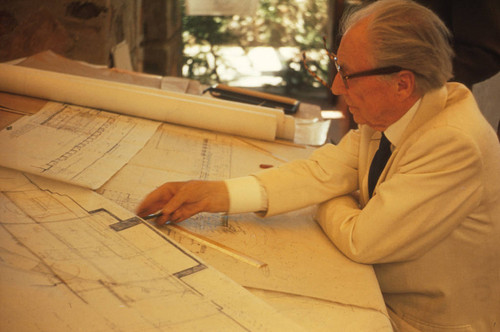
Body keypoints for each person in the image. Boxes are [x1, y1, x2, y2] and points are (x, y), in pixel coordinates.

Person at [137, 0, 500, 330]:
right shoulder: (395, 109)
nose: (336, 86)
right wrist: (215, 194)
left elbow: (363, 239)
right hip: (378, 292)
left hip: (422, 322)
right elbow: (324, 171)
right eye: (336, 66)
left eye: (348, 73)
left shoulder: (454, 141)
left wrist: (325, 198)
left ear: (402, 84)